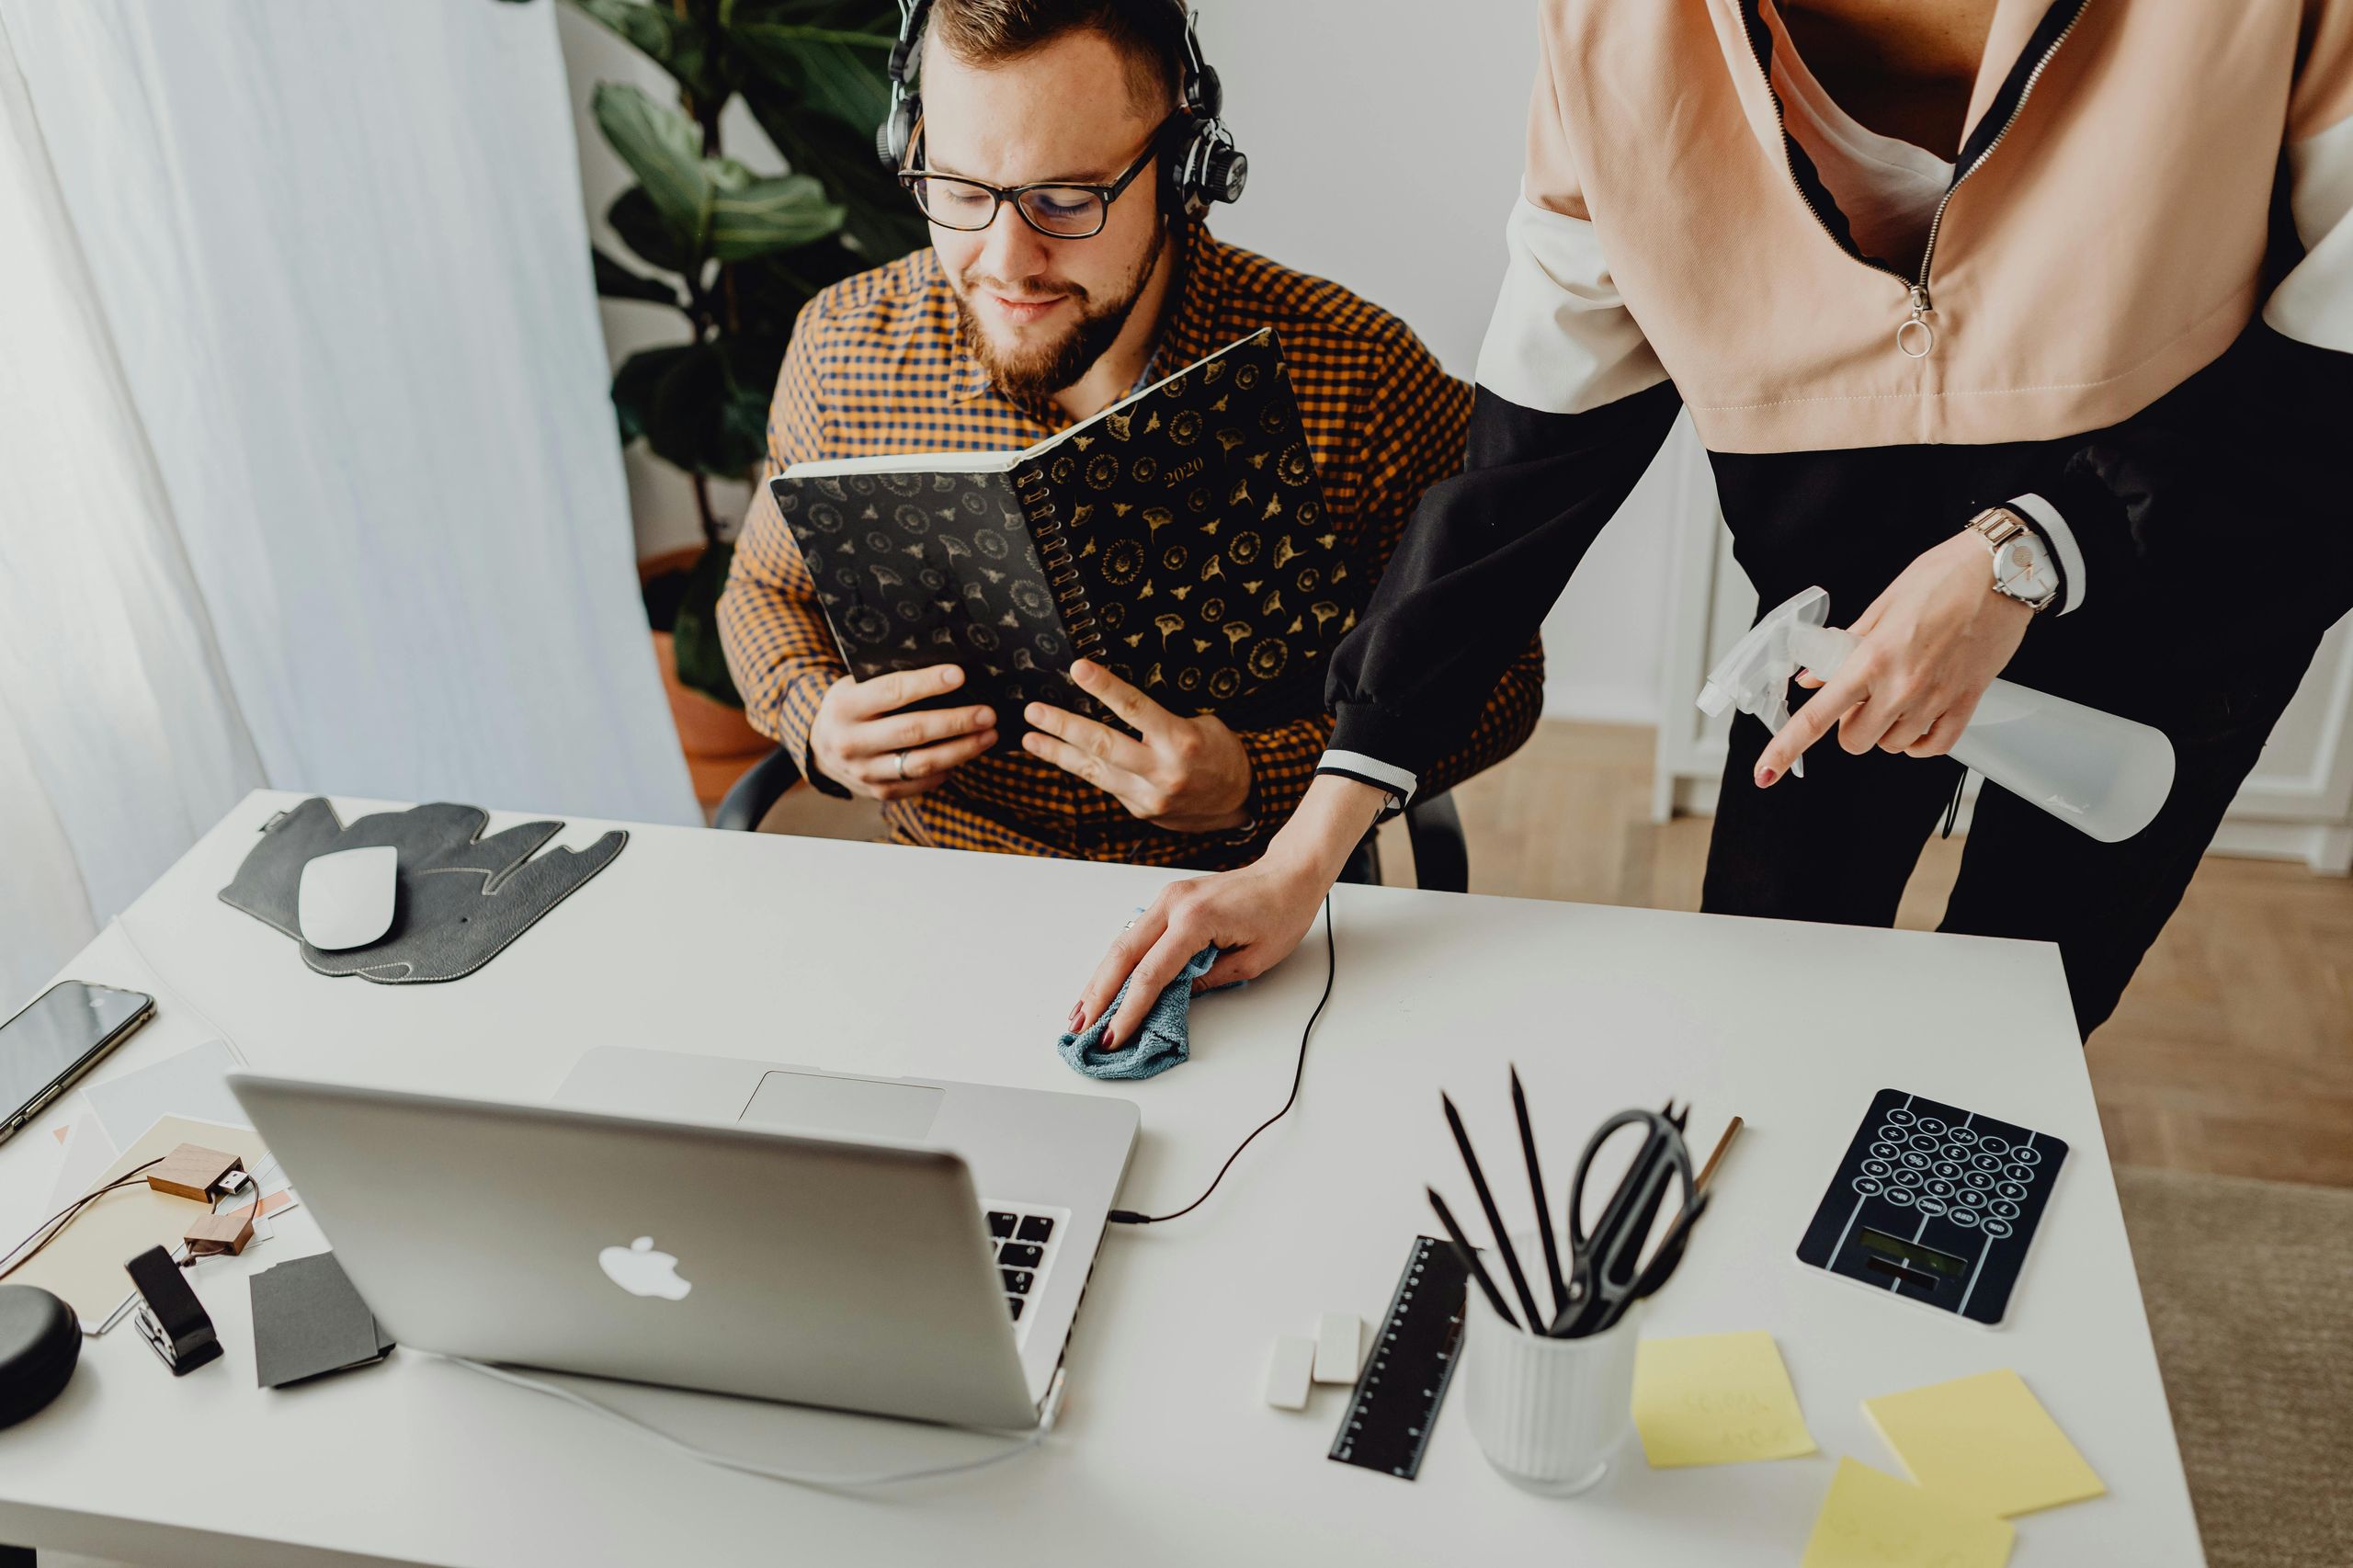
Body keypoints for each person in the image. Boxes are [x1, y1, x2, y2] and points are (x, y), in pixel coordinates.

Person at [1077, 0, 2353, 1044]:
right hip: (1834, 636)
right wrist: (1304, 850)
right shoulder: (1611, 39)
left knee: (2009, 1026)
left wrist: (2021, 551)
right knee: (1765, 997)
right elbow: (1516, 486)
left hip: (2193, 578)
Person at [718, 0, 1541, 869]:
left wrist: (1257, 778)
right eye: (958, 191)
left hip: (1255, 897)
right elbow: (762, 592)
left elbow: (1501, 678)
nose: (1004, 262)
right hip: (949, 894)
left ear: (1184, 164)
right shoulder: (844, 350)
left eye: (1066, 201)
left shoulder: (1362, 374)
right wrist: (817, 717)